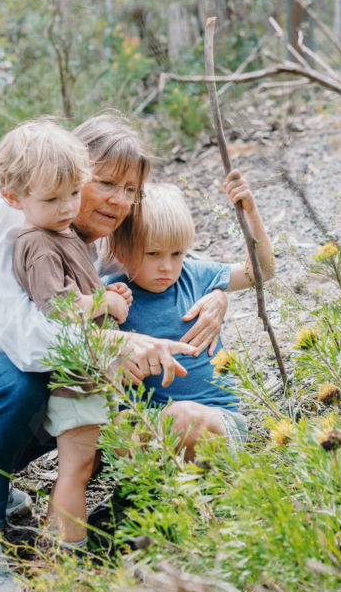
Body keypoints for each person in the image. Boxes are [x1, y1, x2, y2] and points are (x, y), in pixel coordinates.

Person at [0, 112, 229, 592]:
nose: (119, 202)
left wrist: (216, 296)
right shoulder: (1, 233)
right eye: (103, 184)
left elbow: (166, 262)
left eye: (131, 190)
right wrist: (115, 346)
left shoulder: (78, 233)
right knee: (24, 383)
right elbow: (29, 345)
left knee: (92, 408)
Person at [0, 119, 132, 549]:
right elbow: (56, 307)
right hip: (75, 377)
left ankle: (82, 545)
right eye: (53, 198)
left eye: (74, 193)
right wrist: (105, 304)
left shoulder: (60, 232)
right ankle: (65, 558)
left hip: (90, 372)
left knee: (85, 465)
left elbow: (74, 291)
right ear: (14, 197)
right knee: (76, 469)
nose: (68, 207)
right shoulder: (36, 242)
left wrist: (104, 290)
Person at [107, 177, 273, 460]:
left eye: (177, 253)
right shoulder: (112, 291)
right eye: (154, 254)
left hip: (214, 418)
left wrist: (251, 214)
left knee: (183, 419)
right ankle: (166, 487)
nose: (167, 266)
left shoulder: (196, 277)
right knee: (116, 434)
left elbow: (260, 271)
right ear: (121, 249)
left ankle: (192, 480)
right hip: (149, 421)